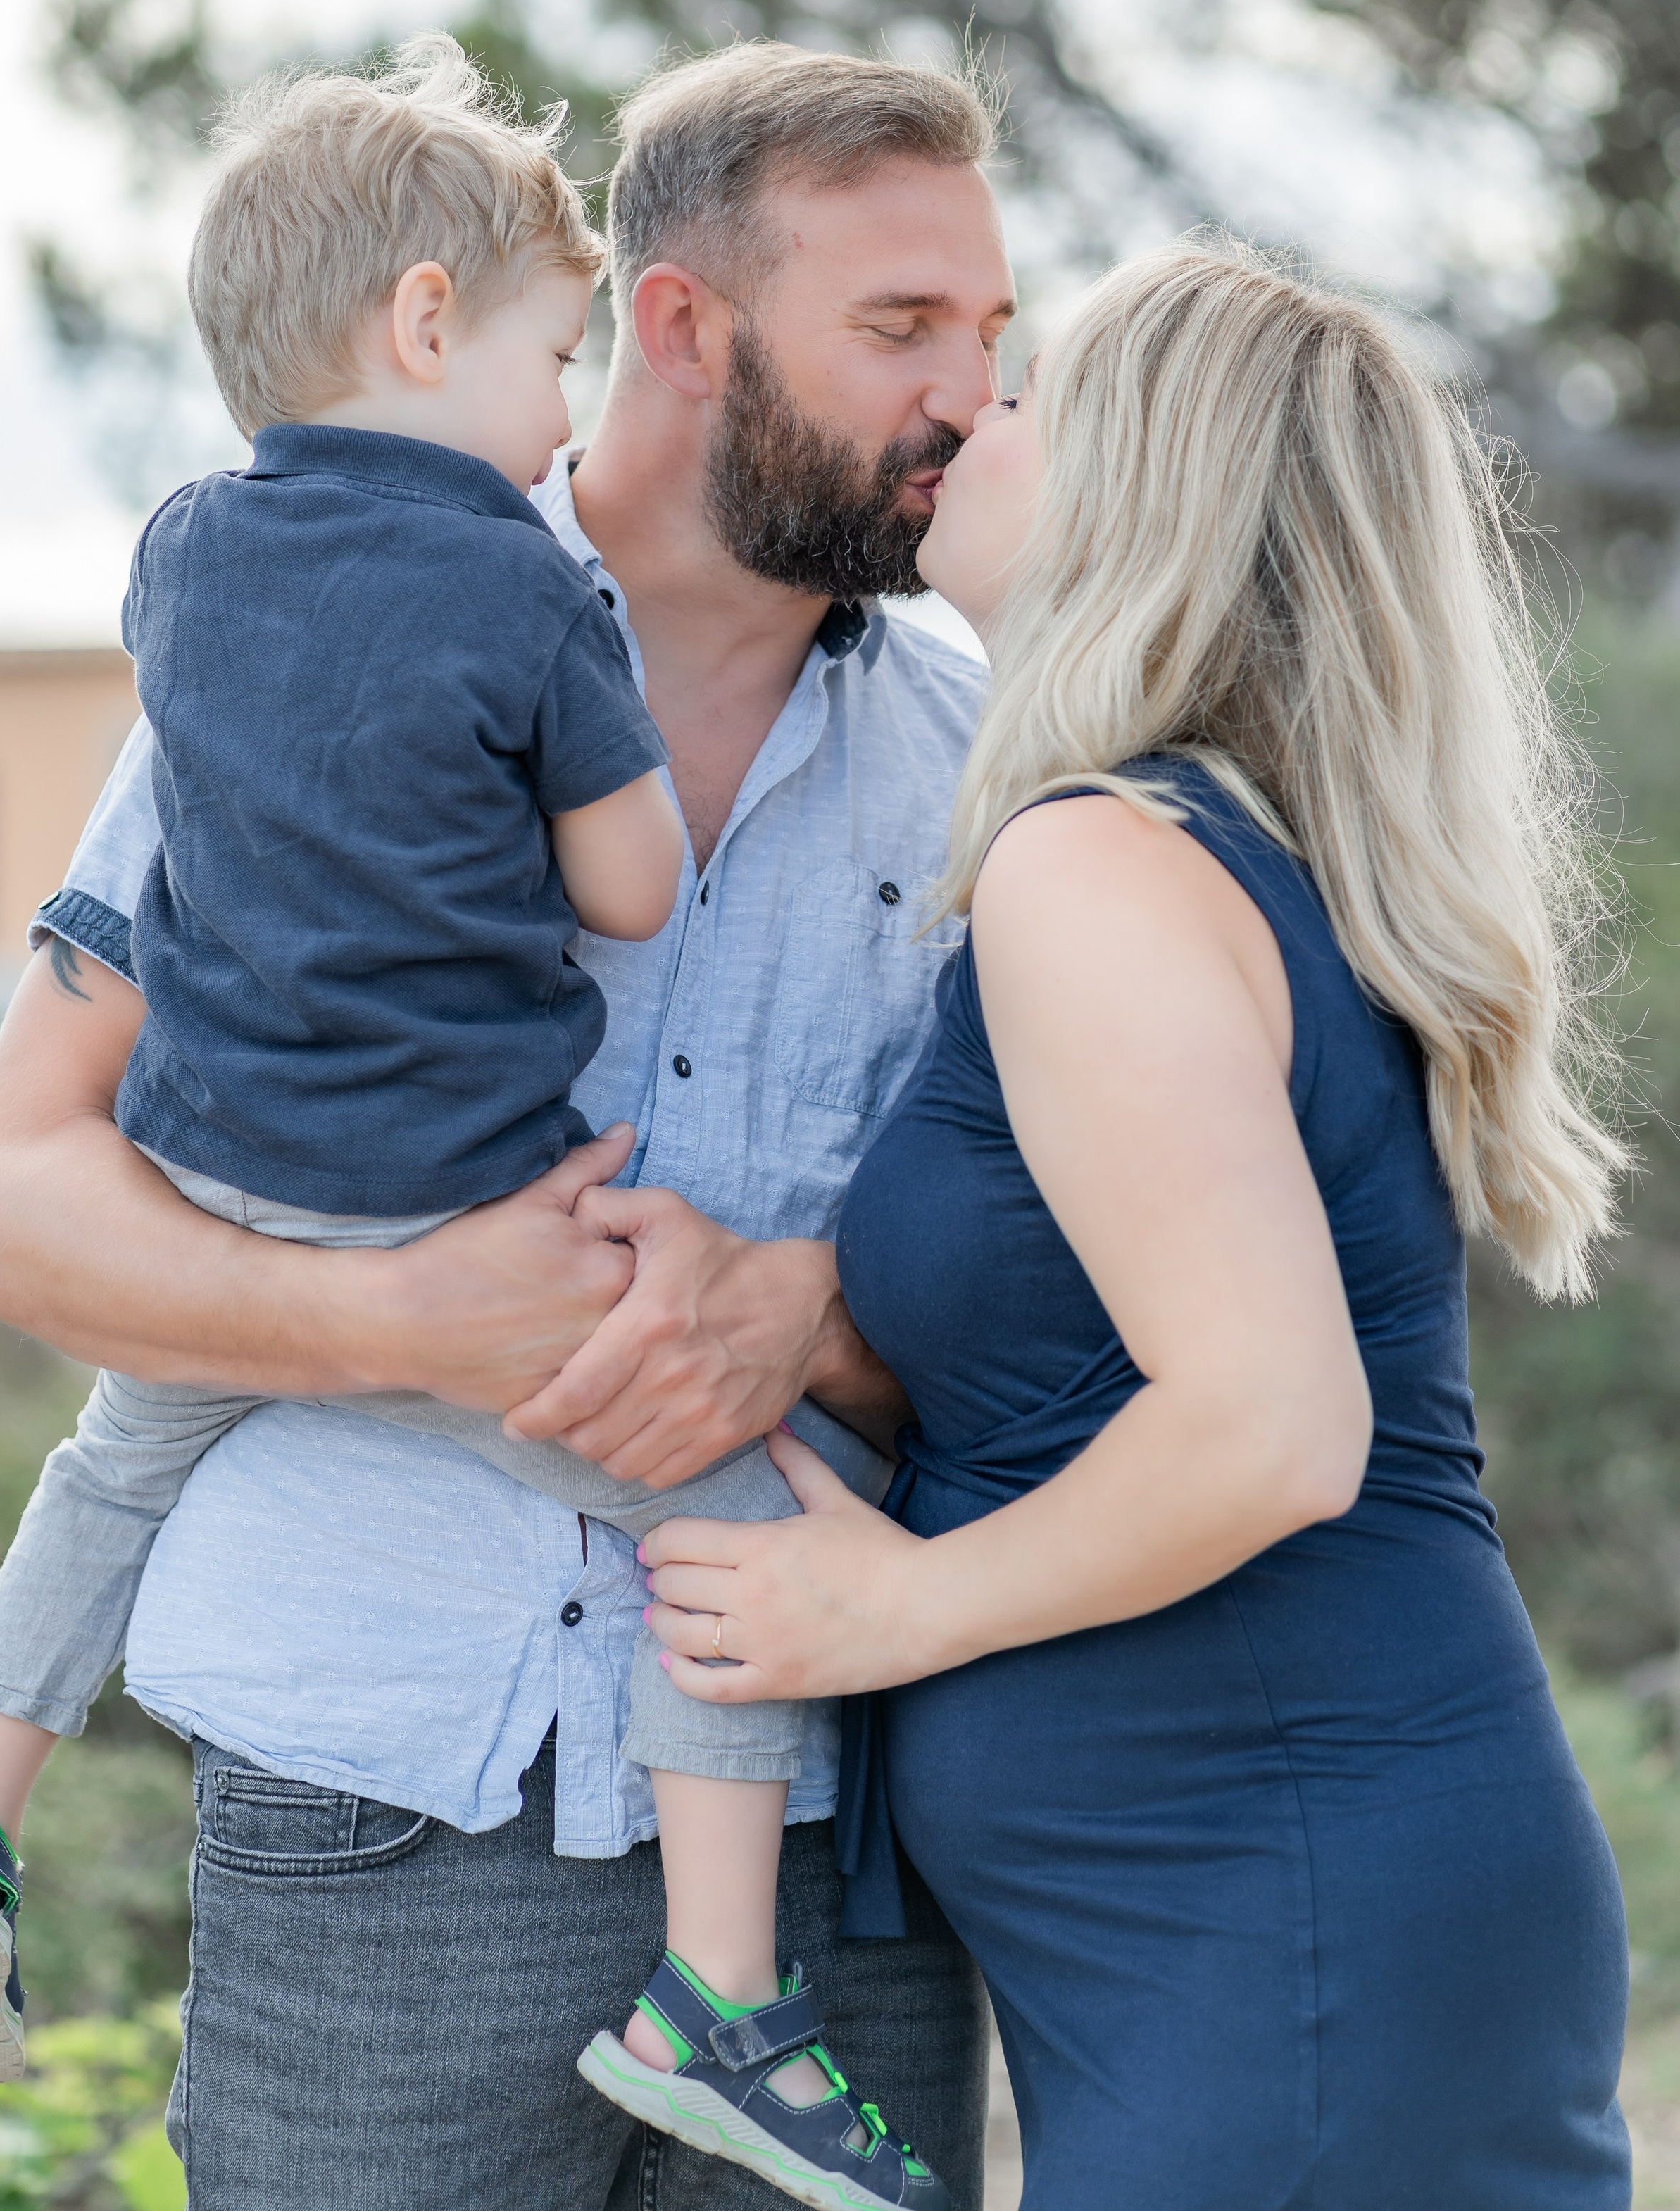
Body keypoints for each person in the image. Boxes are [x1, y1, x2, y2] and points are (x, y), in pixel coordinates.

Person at [0, 40, 1013, 2210]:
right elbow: (8, 1203)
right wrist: (410, 1317)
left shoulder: (994, 749)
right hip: (377, 1828)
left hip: (839, 1854)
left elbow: (1074, 1308)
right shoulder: (305, 638)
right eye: (901, 330)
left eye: (992, 335)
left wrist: (802, 1318)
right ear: (682, 326)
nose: (966, 397)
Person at [639, 238, 1635, 2210]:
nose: (964, 421)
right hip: (1267, 1915)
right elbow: (1100, 1334)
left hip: (1287, 1918)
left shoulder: (1101, 861)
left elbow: (1274, 1422)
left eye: (1025, 399)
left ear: (1131, 492)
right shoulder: (1212, 856)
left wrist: (902, 1608)